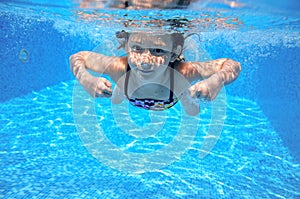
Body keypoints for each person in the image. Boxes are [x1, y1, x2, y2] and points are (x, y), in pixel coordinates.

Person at [69, 31, 241, 116]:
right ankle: (120, 90)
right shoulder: (119, 67)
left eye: (158, 50)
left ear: (174, 52)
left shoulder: (183, 72)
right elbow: (77, 57)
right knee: (115, 98)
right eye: (137, 49)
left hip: (172, 97)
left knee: (192, 110)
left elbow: (233, 65)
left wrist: (217, 80)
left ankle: (186, 97)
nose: (145, 61)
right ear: (127, 47)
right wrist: (86, 80)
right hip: (127, 89)